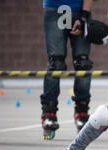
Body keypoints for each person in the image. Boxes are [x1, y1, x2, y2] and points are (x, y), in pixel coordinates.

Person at [41, 0, 94, 140]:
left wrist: (84, 15)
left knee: (83, 63)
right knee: (55, 63)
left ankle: (82, 112)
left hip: (79, 9)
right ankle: (49, 113)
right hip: (54, 8)